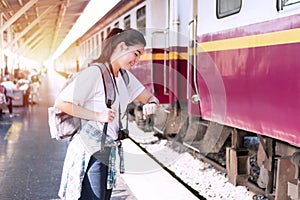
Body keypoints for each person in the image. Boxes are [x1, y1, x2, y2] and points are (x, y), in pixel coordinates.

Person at [55, 28, 159, 200]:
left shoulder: (125, 77)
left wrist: (152, 104)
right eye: (137, 53)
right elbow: (61, 102)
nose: (138, 60)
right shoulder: (94, 73)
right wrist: (97, 115)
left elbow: (149, 97)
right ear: (122, 46)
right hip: (91, 151)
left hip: (108, 150)